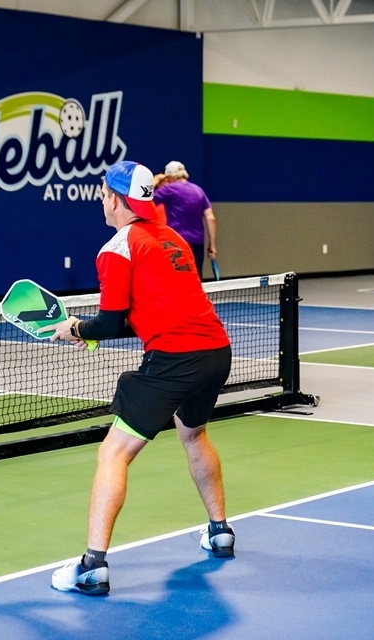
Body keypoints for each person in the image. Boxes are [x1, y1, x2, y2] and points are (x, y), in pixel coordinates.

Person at [48, 160, 235, 596]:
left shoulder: (117, 249)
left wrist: (76, 328)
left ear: (115, 199)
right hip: (215, 353)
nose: (99, 198)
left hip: (175, 360)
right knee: (194, 435)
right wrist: (91, 332)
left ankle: (92, 568)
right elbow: (148, 313)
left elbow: (111, 323)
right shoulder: (171, 240)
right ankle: (220, 531)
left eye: (102, 192)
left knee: (113, 453)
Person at [154, 160, 217, 278]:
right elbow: (210, 218)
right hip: (198, 243)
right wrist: (212, 245)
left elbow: (145, 200)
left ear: (171, 177)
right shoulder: (199, 191)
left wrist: (155, 181)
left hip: (176, 243)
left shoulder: (169, 190)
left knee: (177, 279)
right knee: (196, 279)